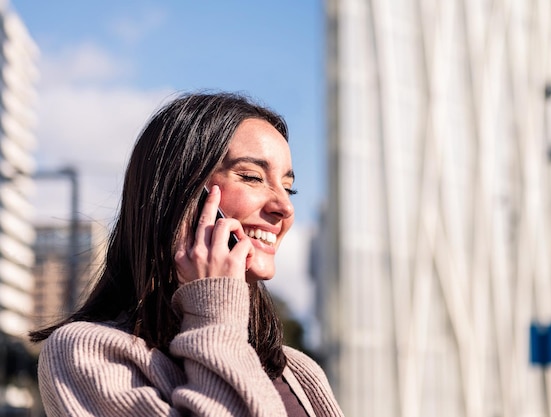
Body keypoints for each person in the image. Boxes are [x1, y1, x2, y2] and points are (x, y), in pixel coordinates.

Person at [29, 92, 344, 417]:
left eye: (288, 187)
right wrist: (214, 310)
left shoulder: (298, 371)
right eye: (252, 177)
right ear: (182, 193)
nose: (285, 207)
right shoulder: (87, 353)